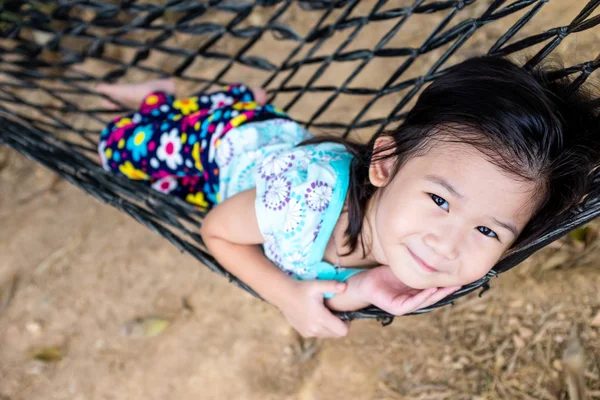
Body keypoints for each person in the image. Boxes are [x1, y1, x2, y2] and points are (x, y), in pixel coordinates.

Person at [97, 57, 600, 338]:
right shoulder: (299, 204)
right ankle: (151, 97)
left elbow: (341, 278)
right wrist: (287, 296)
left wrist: (361, 292)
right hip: (214, 149)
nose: (447, 245)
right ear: (384, 164)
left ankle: (162, 94)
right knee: (119, 145)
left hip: (266, 156)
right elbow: (219, 231)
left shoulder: (398, 247)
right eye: (440, 201)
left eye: (487, 230)